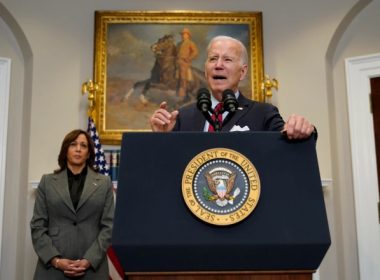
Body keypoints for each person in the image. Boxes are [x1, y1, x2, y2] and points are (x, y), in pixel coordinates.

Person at [150, 35, 315, 139]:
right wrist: (161, 138)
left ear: (242, 72)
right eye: (213, 58)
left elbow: (288, 139)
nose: (218, 65)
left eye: (227, 60)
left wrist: (304, 129)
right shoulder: (183, 116)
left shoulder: (264, 113)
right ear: (206, 70)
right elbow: (166, 167)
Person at [30, 129, 114, 279]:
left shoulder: (104, 183)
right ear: (65, 150)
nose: (78, 149)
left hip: (92, 268)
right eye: (73, 144)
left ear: (88, 153)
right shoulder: (47, 182)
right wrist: (55, 260)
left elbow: (109, 226)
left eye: (83, 145)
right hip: (53, 268)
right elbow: (37, 226)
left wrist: (89, 260)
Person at [176, 27, 199, 100]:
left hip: (184, 62)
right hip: (177, 61)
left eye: (185, 34)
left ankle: (182, 93)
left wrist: (188, 58)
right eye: (182, 34)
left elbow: (195, 52)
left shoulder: (190, 43)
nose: (183, 36)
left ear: (188, 35)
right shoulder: (179, 44)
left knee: (183, 76)